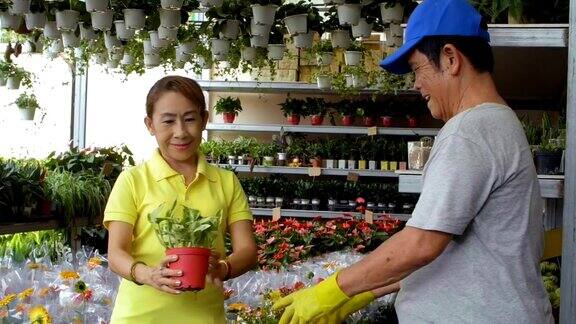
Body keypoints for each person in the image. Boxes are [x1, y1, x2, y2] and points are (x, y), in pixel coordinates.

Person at [273, 0, 554, 323]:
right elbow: (448, 253)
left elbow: (422, 244)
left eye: (418, 69)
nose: (416, 84)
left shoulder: (469, 130)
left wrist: (331, 291)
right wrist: (359, 293)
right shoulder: (497, 123)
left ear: (450, 58)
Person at [104, 76, 257, 324]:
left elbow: (248, 251)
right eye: (168, 121)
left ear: (204, 120)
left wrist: (224, 268)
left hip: (205, 318)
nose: (180, 132)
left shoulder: (226, 182)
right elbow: (116, 253)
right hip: (138, 317)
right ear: (150, 124)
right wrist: (147, 274)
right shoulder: (132, 180)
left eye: (189, 119)